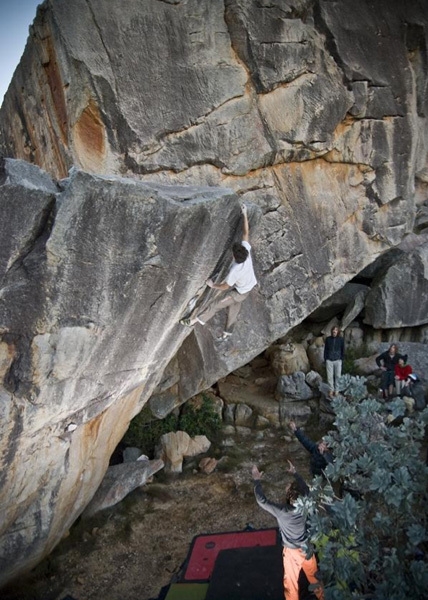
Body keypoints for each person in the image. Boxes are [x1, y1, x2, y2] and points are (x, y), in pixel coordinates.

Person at [180, 204, 257, 339]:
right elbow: (246, 233)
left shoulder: (235, 270)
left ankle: (192, 321)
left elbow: (225, 287)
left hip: (240, 291)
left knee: (217, 304)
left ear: (234, 256)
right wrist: (245, 214)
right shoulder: (247, 253)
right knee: (234, 306)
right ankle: (228, 331)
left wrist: (212, 285)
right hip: (248, 287)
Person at [252, 461, 324, 600]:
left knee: (290, 583)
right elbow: (306, 489)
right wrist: (295, 473)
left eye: (288, 489)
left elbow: (262, 500)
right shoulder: (307, 503)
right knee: (315, 578)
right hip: (307, 549)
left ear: (290, 496)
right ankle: (323, 597)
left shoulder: (282, 511)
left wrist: (256, 480)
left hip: (291, 553)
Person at [323, 326, 345, 397]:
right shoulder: (328, 339)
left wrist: (341, 358)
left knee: (338, 376)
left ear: (338, 331)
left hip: (338, 360)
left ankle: (337, 390)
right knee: (329, 376)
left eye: (336, 330)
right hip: (329, 360)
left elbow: (343, 350)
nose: (334, 331)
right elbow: (325, 349)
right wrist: (326, 358)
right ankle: (331, 390)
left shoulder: (341, 339)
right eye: (333, 330)